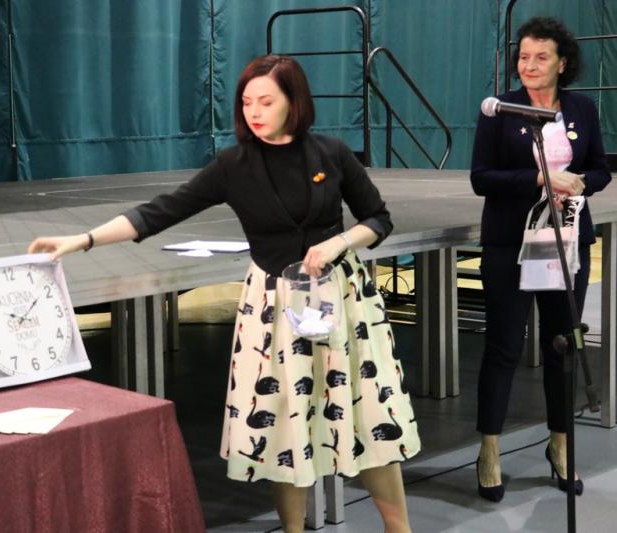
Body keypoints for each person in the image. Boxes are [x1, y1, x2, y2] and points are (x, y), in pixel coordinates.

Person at [29, 54, 419, 533]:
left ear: (294, 102)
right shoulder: (233, 166)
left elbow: (378, 219)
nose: (254, 111)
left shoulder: (332, 153)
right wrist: (83, 240)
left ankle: (399, 528)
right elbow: (159, 212)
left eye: (266, 101)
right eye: (247, 101)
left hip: (342, 301)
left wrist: (339, 243)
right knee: (282, 424)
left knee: (368, 413)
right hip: (272, 309)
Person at [471, 17, 611, 502]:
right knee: (504, 347)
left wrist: (580, 183)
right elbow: (481, 178)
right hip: (509, 243)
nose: (529, 65)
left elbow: (599, 168)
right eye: (524, 57)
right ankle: (489, 450)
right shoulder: (499, 110)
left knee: (562, 346)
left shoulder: (582, 109)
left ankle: (561, 444)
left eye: (541, 57)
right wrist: (538, 181)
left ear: (562, 63)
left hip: (566, 242)